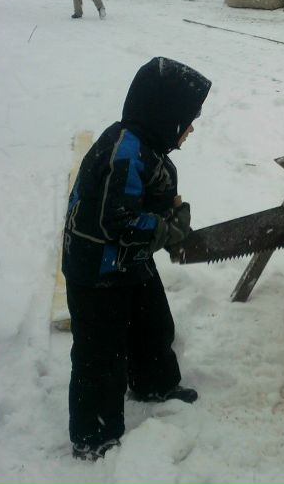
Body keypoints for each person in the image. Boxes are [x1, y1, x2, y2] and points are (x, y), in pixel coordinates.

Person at [62, 57, 211, 460]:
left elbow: (154, 199)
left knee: (152, 325)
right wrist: (165, 229)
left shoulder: (150, 149)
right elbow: (118, 220)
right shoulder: (124, 152)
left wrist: (171, 214)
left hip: (129, 260)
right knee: (100, 355)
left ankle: (153, 383)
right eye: (187, 120)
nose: (191, 129)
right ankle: (94, 435)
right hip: (95, 271)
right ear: (164, 115)